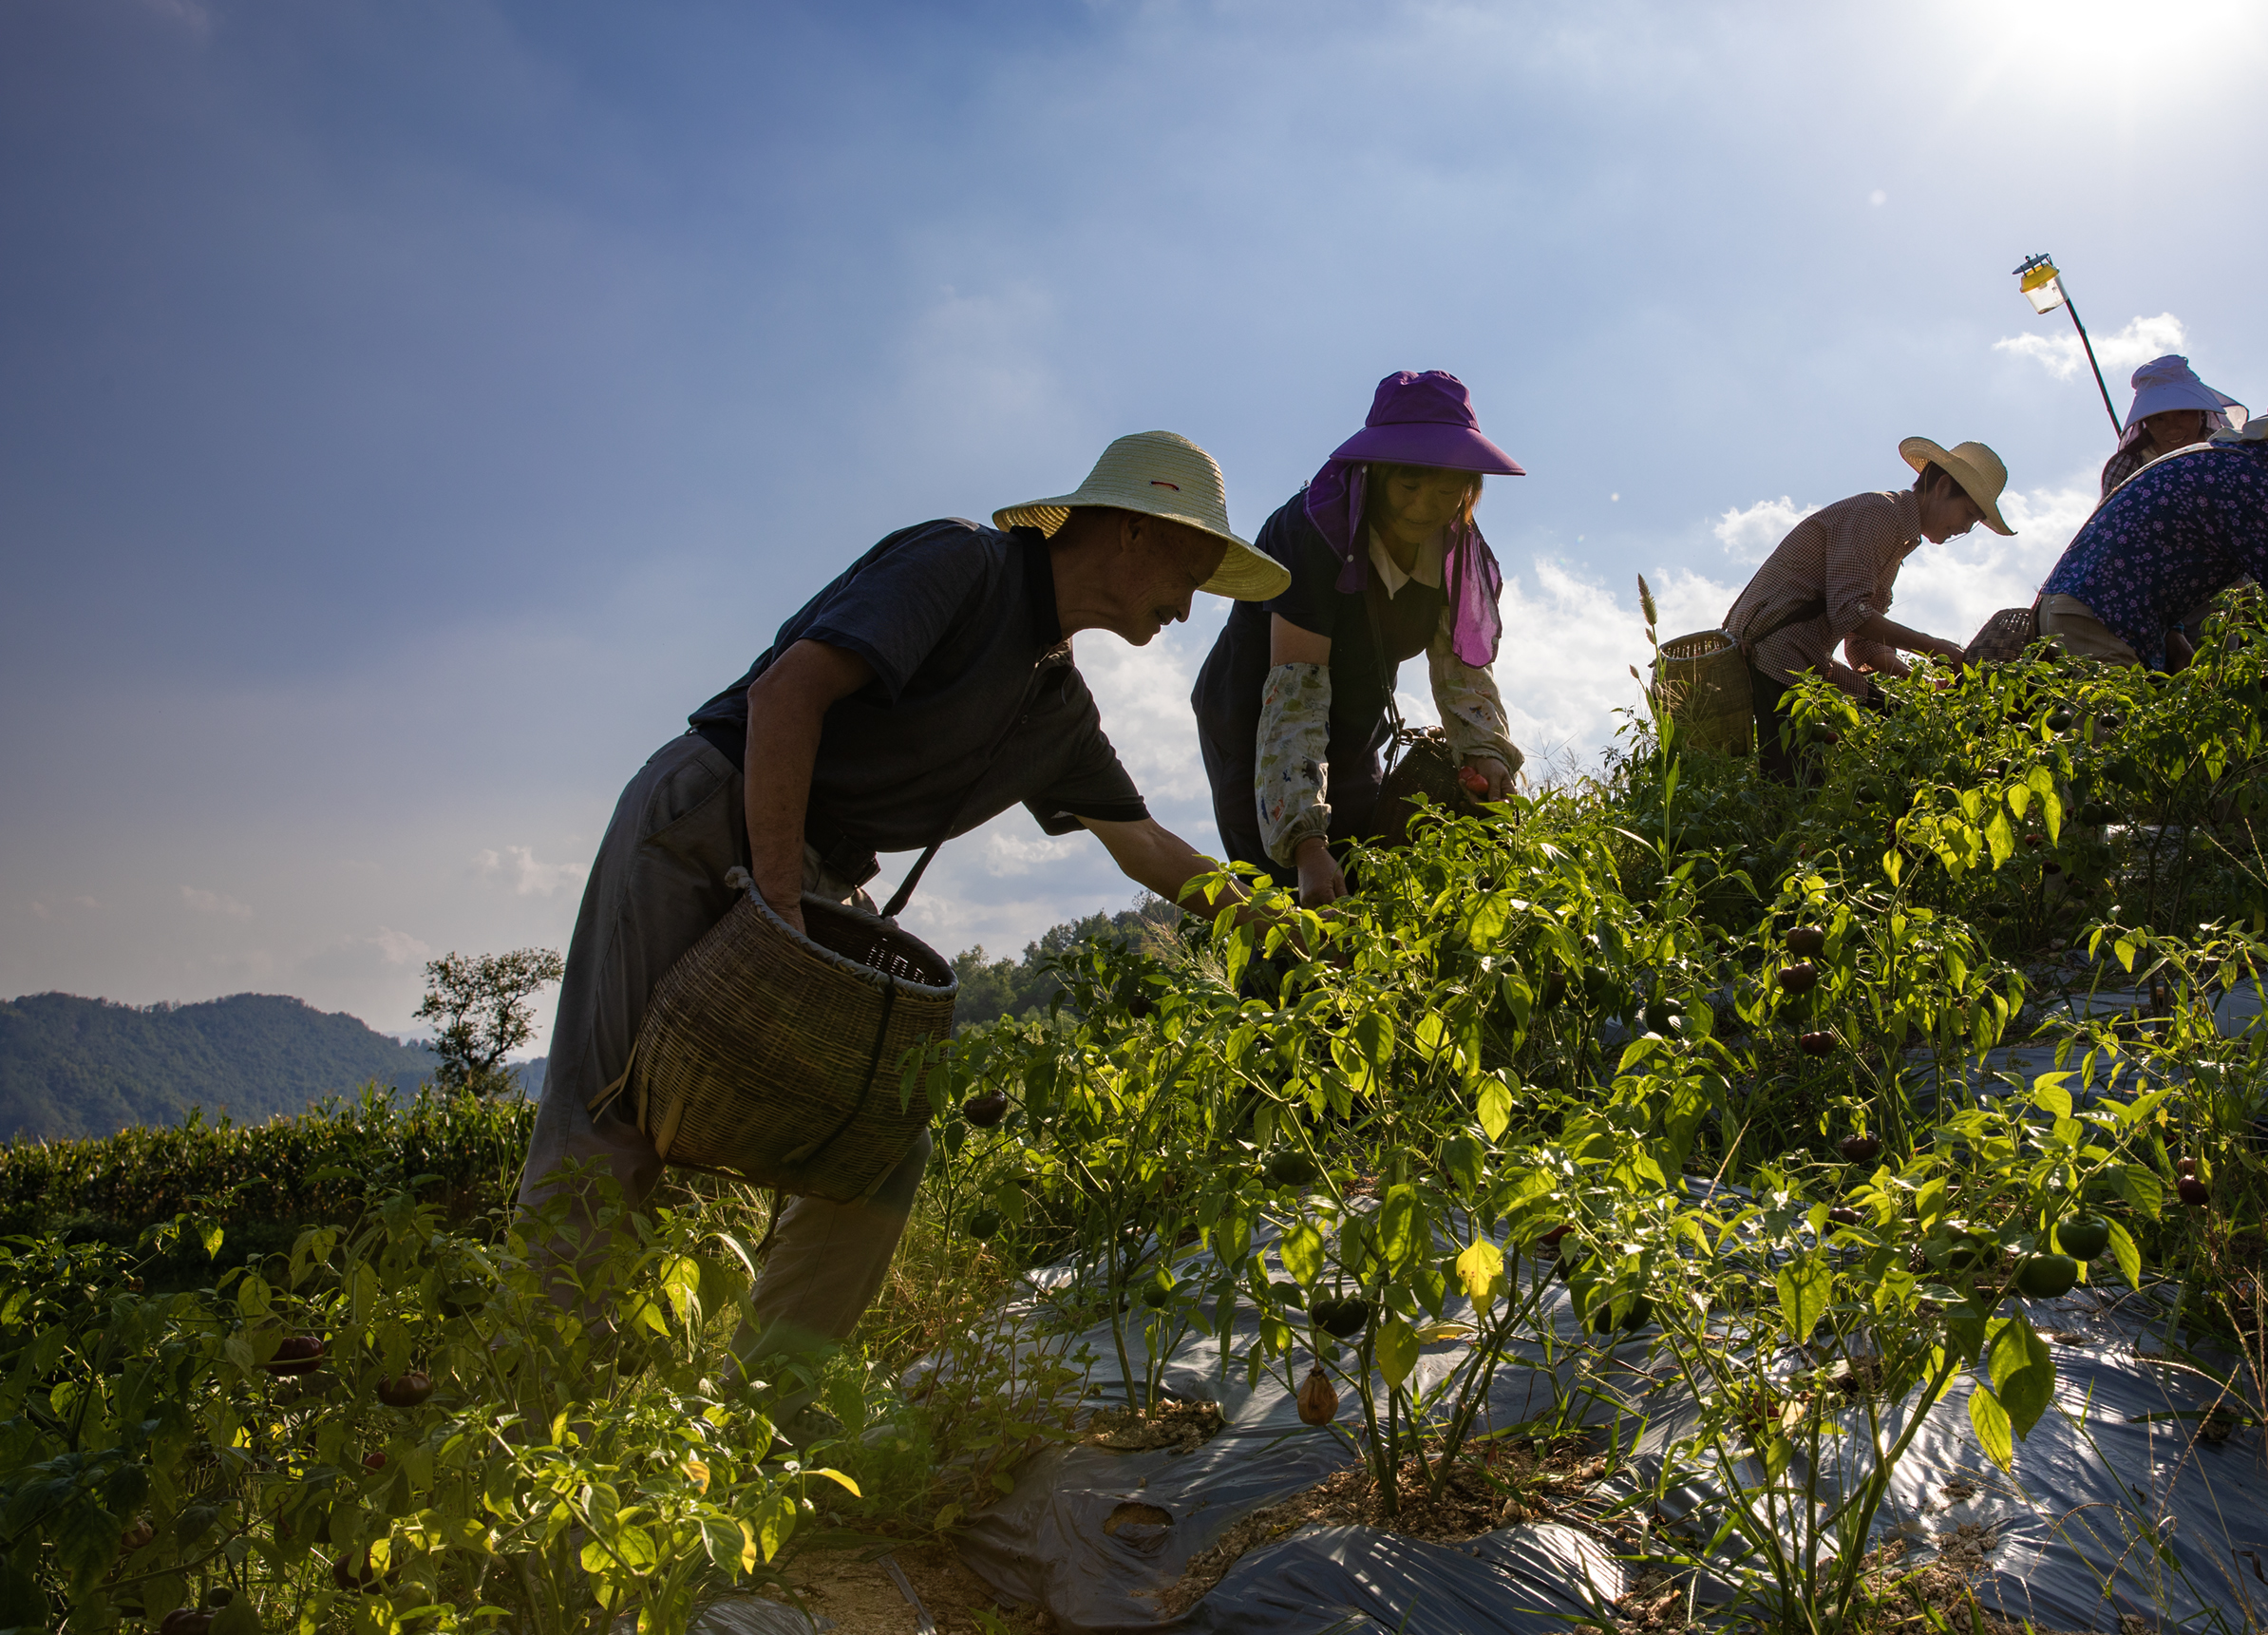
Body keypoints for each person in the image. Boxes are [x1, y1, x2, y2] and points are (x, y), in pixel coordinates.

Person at [519, 431, 1289, 1361]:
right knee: (609, 1125)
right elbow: (788, 694)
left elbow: (1147, 846)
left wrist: (1284, 924)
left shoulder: (1053, 707)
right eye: (1196, 562)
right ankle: (534, 1416)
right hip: (713, 815)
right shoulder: (961, 563)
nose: (1191, 600)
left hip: (813, 873)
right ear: (1131, 529)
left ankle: (764, 1414)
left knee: (877, 1146)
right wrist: (777, 908)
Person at [1193, 371, 1526, 906]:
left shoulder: (1455, 556)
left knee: (1366, 857)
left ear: (1470, 488)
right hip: (1257, 717)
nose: (1424, 506)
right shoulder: (1311, 534)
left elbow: (1463, 672)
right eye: (1408, 485)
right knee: (1286, 886)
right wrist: (1304, 842)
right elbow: (1295, 702)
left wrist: (1486, 755)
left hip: (1357, 711)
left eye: (1447, 488)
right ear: (1372, 474)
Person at [2034, 383, 2268, 721]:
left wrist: (2173, 632)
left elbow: (2160, 551)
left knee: (2140, 750)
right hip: (2097, 615)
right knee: (2109, 761)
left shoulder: (2229, 463)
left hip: (2086, 607)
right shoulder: (2252, 484)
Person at [1721, 438, 2013, 782]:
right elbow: (1849, 613)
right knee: (1797, 785)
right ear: (1944, 486)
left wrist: (1920, 683)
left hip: (1804, 658)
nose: (1965, 528)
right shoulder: (1880, 514)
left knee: (1896, 717)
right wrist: (1938, 648)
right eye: (1968, 514)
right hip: (1774, 655)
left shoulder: (1899, 536)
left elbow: (1861, 643)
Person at [2100, 354, 2246, 501]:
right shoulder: (2129, 465)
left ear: (2200, 413)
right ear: (2146, 423)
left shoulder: (2227, 451)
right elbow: (2110, 519)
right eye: (2159, 418)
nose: (2173, 429)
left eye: (2182, 413)